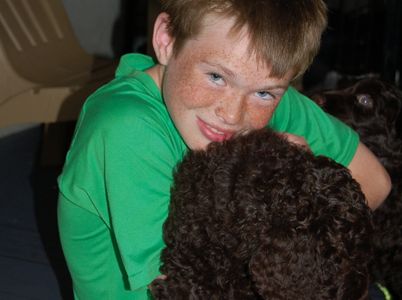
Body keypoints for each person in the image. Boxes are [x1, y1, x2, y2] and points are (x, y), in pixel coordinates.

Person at [57, 0, 391, 299]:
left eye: (265, 93)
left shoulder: (268, 95)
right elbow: (182, 284)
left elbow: (375, 182)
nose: (232, 116)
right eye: (216, 77)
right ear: (167, 39)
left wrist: (305, 186)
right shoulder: (125, 128)